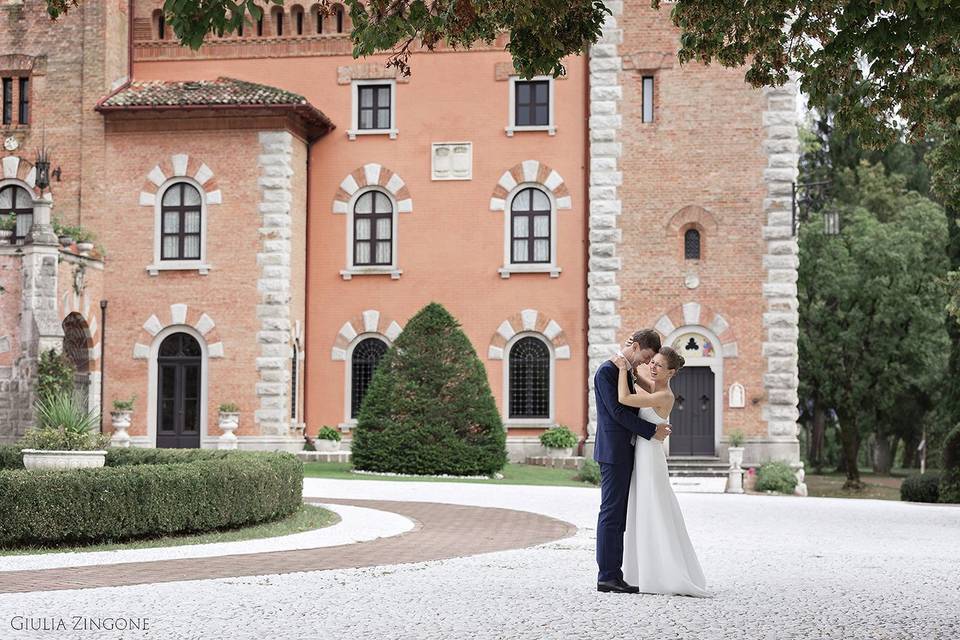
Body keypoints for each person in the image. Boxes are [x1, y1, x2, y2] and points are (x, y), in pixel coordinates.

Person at [614, 345, 710, 597]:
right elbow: (639, 382)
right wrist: (632, 367)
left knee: (653, 506)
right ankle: (644, 569)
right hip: (643, 454)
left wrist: (623, 368)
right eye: (653, 362)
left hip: (650, 458)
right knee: (645, 506)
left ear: (671, 373)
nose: (653, 367)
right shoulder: (654, 388)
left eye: (659, 365)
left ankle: (663, 571)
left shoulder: (664, 395)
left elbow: (624, 398)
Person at [593, 329, 671, 594]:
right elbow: (616, 412)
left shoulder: (624, 370)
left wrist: (630, 367)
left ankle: (615, 573)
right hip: (613, 452)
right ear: (636, 347)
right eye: (645, 357)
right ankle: (607, 576)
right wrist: (651, 431)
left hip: (627, 451)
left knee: (620, 515)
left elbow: (645, 396)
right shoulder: (606, 371)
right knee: (612, 514)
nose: (645, 363)